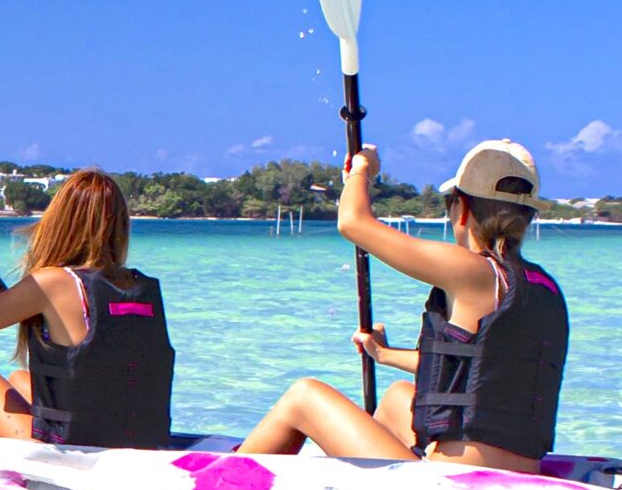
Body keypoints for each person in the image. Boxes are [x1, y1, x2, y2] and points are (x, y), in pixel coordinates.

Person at [239, 139, 568, 470]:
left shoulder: (471, 269)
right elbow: (486, 370)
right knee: (399, 396)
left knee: (303, 397)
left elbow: (352, 222)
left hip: (456, 481)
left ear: (462, 208)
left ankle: (214, 489)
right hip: (521, 473)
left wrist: (362, 171)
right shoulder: (543, 287)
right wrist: (384, 354)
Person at [0, 167, 176, 448]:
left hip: (74, 449)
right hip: (139, 440)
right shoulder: (144, 287)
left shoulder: (54, 281)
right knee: (21, 380)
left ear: (60, 223)